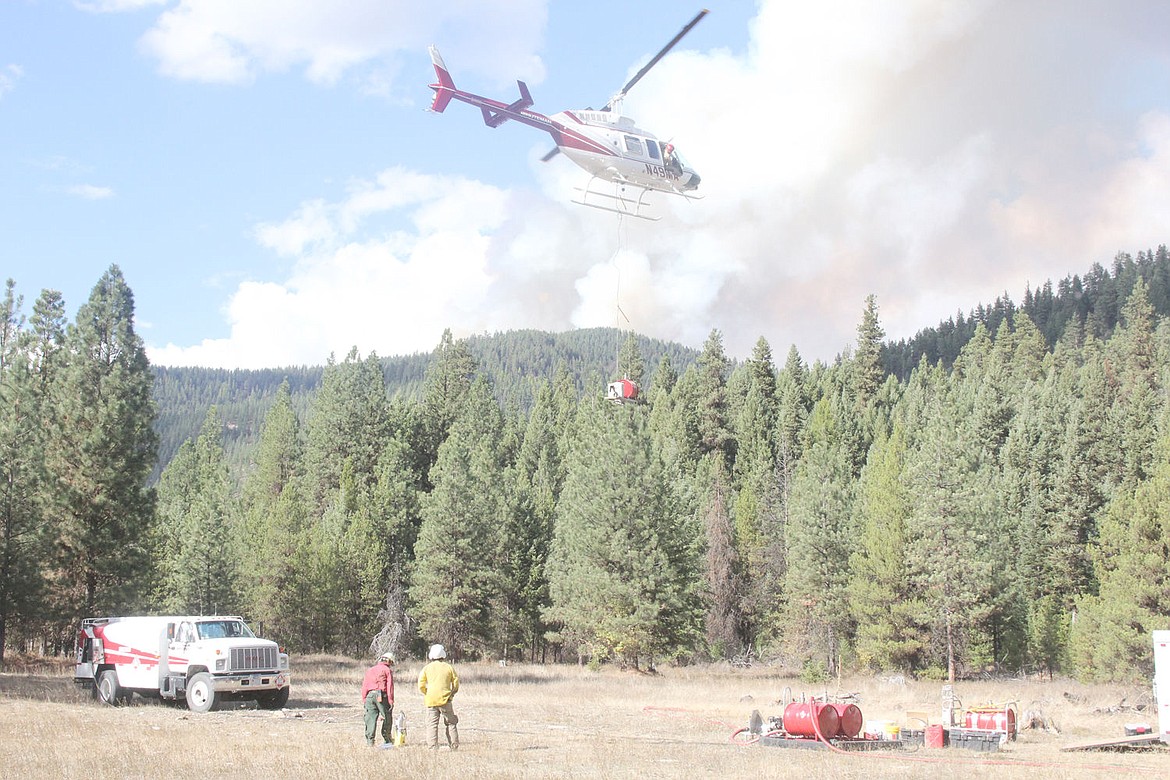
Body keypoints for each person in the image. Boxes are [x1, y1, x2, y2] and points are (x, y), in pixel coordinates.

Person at [417, 643, 459, 750]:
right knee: (451, 723)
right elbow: (456, 683)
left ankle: (432, 747)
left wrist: (427, 693)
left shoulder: (426, 668)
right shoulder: (449, 667)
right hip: (446, 700)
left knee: (432, 725)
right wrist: (451, 694)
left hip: (431, 700)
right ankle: (453, 746)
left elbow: (421, 685)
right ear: (443, 655)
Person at [361, 652, 396, 747]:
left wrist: (364, 699)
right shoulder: (387, 670)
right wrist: (391, 700)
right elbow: (389, 687)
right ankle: (387, 740)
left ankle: (370, 742)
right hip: (381, 696)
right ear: (389, 661)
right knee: (387, 717)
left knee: (370, 719)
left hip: (369, 696)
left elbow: (365, 685)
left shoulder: (370, 670)